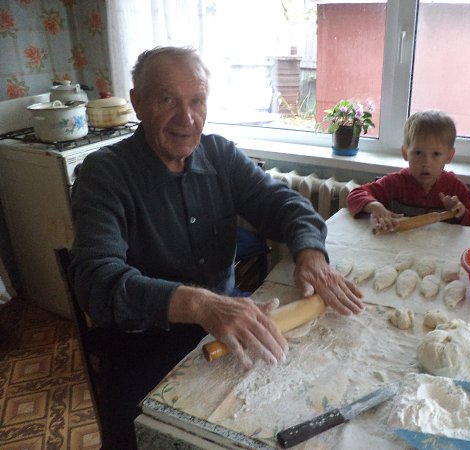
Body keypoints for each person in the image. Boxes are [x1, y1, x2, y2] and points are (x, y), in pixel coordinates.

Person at [69, 46, 364, 449]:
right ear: (137, 103)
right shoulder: (104, 174)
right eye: (167, 100)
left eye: (197, 101)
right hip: (143, 343)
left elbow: (286, 205)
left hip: (227, 320)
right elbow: (96, 282)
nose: (186, 118)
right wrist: (200, 305)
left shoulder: (219, 154)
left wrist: (310, 252)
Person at [347, 109, 470, 232]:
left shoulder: (455, 187)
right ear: (405, 153)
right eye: (418, 153)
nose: (426, 163)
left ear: (449, 156)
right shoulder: (395, 183)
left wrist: (461, 213)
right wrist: (375, 206)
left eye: (436, 154)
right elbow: (355, 195)